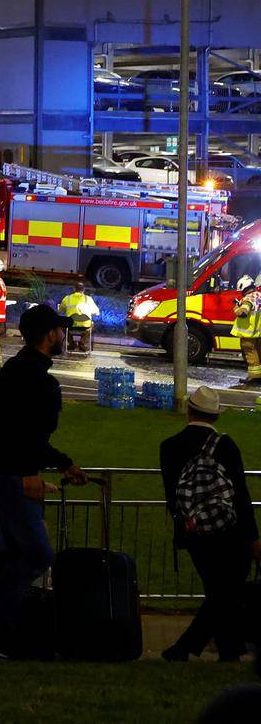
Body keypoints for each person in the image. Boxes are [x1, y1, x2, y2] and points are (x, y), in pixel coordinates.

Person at [0, 303, 88, 661]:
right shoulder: (42, 383)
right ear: (50, 335)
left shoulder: (14, 368)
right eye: (61, 330)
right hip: (10, 477)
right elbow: (27, 436)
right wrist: (31, 474)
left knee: (5, 553)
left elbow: (12, 429)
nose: (64, 335)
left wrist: (62, 463)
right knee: (36, 555)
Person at [158, 385, 261, 662]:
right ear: (215, 416)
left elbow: (173, 496)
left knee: (219, 592)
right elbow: (240, 494)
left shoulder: (169, 448)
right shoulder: (225, 446)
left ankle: (229, 651)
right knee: (225, 594)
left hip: (194, 532)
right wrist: (253, 537)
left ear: (190, 411)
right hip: (231, 531)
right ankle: (187, 647)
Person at [231, 274, 261, 387]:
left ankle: (254, 378)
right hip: (258, 333)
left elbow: (243, 313)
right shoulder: (259, 295)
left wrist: (236, 307)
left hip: (248, 334)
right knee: (259, 353)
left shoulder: (248, 299)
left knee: (250, 354)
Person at [59, 281, 99, 354]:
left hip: (70, 324)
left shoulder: (67, 298)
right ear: (83, 290)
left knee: (62, 325)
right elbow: (96, 312)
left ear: (74, 289)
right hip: (85, 325)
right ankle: (82, 342)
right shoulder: (89, 299)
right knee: (91, 325)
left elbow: (61, 309)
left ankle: (71, 343)